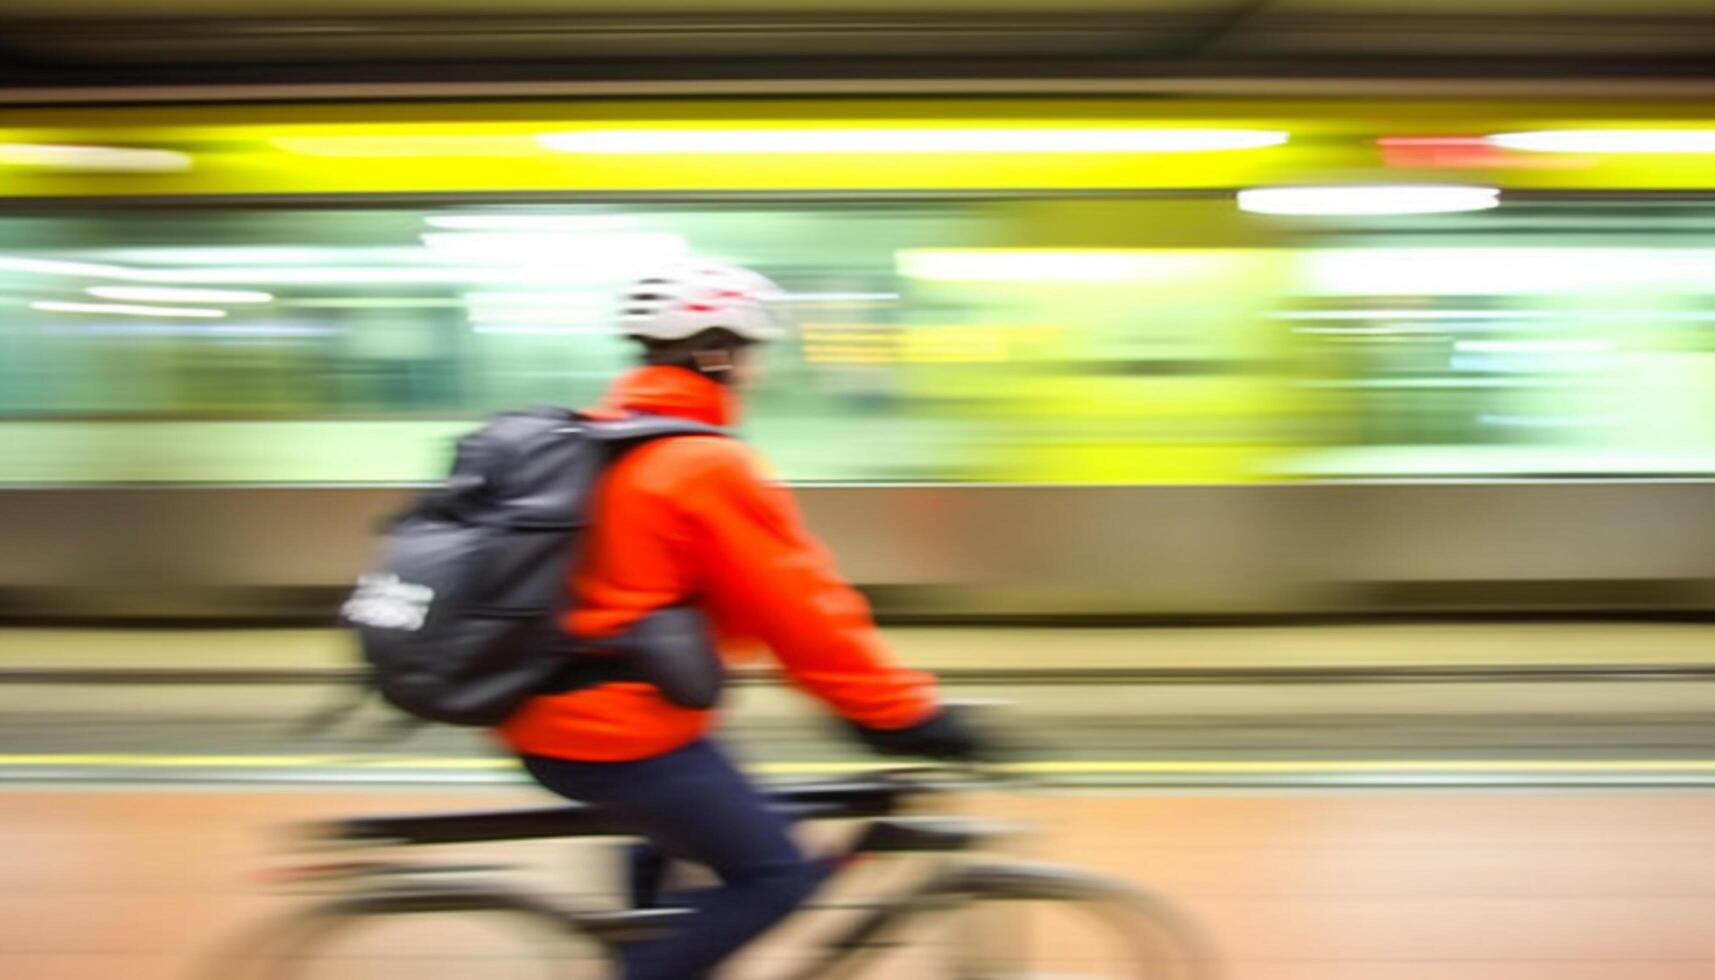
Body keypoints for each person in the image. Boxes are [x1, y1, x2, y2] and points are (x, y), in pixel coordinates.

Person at [498, 261, 982, 980]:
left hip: (549, 712)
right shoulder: (702, 465)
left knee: (705, 826)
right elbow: (801, 609)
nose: (757, 371)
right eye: (752, 352)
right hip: (617, 733)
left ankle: (655, 934)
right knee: (775, 875)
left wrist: (853, 701)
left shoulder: (608, 439)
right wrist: (905, 714)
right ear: (717, 353)